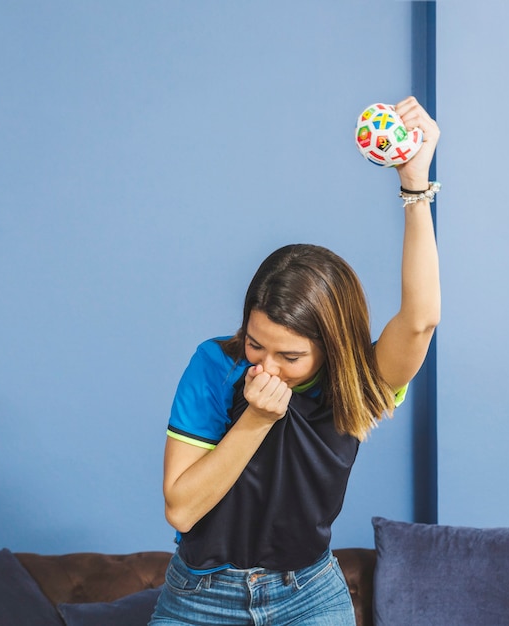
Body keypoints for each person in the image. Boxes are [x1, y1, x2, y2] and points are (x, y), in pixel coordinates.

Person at [149, 96, 441, 626]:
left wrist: (415, 186)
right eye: (257, 344)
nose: (266, 366)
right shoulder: (215, 365)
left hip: (308, 595)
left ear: (332, 349)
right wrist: (257, 417)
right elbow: (182, 508)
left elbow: (419, 321)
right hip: (200, 596)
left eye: (290, 356)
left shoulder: (358, 383)